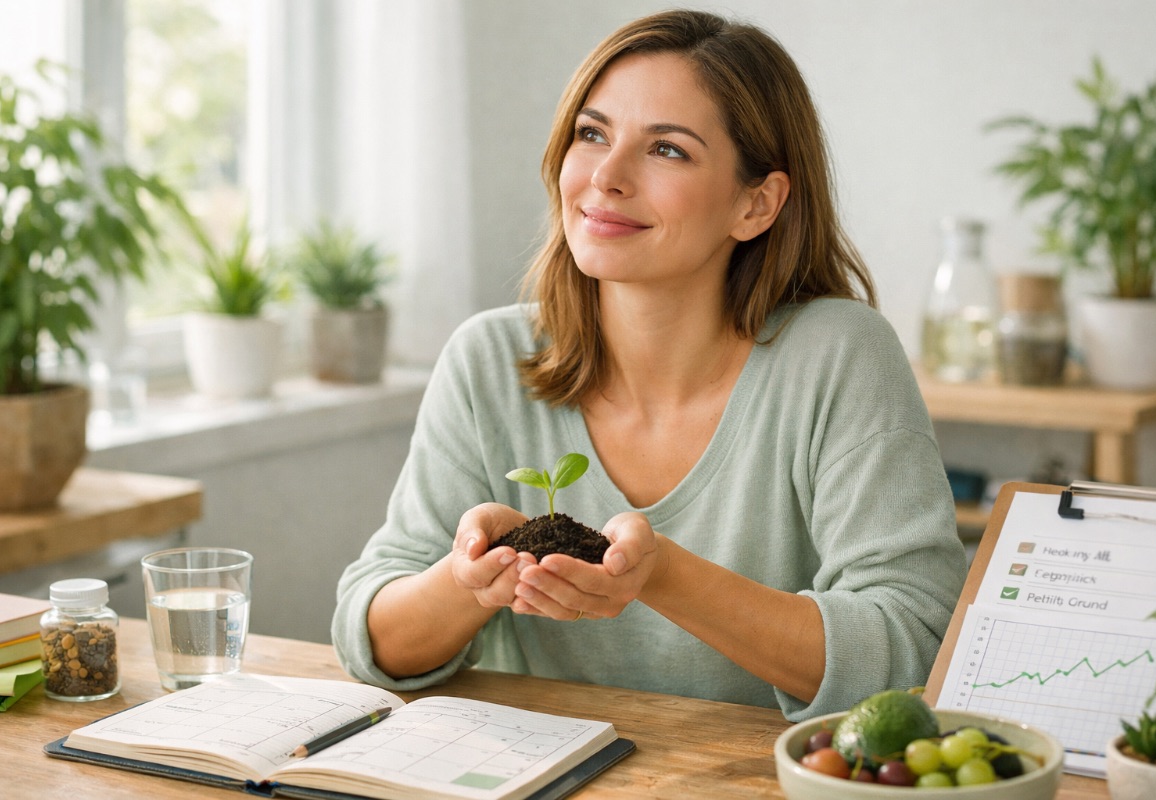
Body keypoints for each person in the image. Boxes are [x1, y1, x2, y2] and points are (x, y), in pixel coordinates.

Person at [333, 8, 967, 721]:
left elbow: (917, 646)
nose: (605, 176)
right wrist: (468, 581)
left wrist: (660, 575)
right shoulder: (488, 360)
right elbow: (370, 640)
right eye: (592, 133)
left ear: (757, 204)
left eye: (666, 150)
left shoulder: (840, 356)